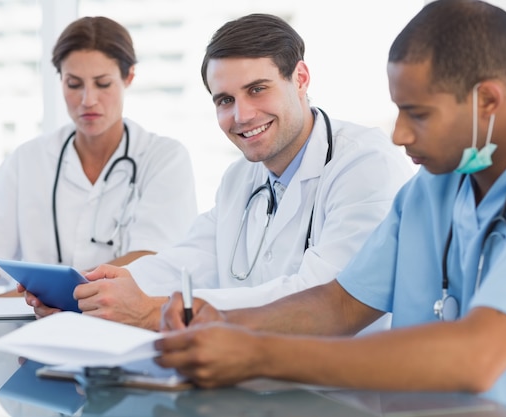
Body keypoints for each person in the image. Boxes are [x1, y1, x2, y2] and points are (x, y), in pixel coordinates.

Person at [155, 1, 506, 416]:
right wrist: (225, 322)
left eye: (418, 114)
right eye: (398, 109)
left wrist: (258, 354)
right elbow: (341, 304)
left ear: (488, 101)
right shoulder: (432, 187)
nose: (400, 134)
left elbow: (476, 356)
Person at [26, 13, 413, 331]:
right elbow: (190, 260)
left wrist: (152, 310)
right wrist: (94, 290)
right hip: (251, 383)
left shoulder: (363, 164)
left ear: (300, 79)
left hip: (338, 395)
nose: (241, 115)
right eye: (225, 100)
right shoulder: (241, 179)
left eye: (257, 89)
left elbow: (321, 297)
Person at [0, 17, 198, 297]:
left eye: (103, 84)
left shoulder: (164, 158)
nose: (88, 99)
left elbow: (152, 259)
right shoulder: (29, 159)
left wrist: (49, 293)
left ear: (128, 78)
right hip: (37, 325)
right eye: (74, 84)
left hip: (128, 323)